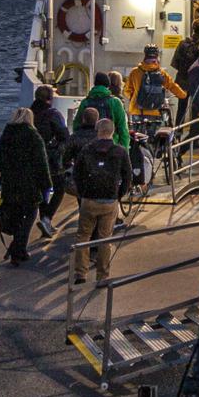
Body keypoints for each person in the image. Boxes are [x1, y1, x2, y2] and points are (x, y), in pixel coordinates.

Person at [69, 117, 128, 283]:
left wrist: (82, 193)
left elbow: (77, 173)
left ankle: (80, 273)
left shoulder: (87, 150)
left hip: (89, 199)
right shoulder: (120, 151)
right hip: (109, 200)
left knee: (83, 236)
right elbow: (127, 176)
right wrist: (118, 194)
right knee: (105, 239)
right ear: (112, 132)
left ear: (97, 130)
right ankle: (103, 275)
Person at [0, 106, 54, 266]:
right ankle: (17, 248)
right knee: (29, 215)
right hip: (29, 184)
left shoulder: (6, 135)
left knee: (15, 216)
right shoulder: (33, 135)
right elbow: (41, 162)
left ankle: (17, 249)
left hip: (10, 184)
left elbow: (1, 161)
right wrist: (46, 184)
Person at [29, 84, 69, 237]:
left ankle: (45, 220)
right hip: (50, 160)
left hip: (32, 160)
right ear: (50, 99)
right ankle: (47, 218)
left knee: (42, 191)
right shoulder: (53, 114)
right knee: (59, 188)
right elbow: (64, 136)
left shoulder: (29, 113)